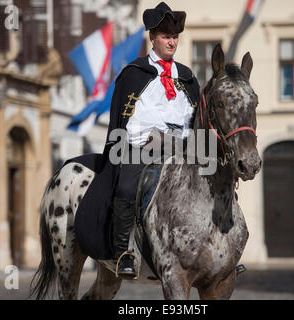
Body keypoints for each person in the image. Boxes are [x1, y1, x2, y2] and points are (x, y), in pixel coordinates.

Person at [71, 2, 200, 279]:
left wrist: (192, 139)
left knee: (212, 178)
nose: (172, 42)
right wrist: (159, 136)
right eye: (166, 36)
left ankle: (215, 248)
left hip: (182, 147)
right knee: (128, 186)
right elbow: (131, 121)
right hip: (141, 145)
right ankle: (124, 252)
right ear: (152, 37)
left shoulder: (187, 78)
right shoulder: (133, 74)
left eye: (175, 37)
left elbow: (193, 117)